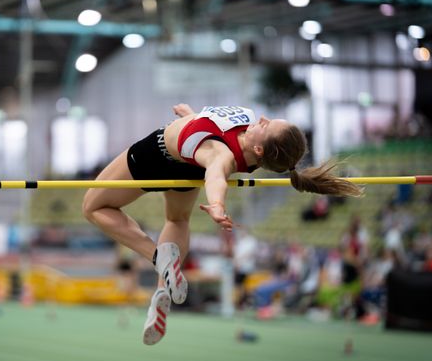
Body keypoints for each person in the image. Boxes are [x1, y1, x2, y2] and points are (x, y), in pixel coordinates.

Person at [82, 103, 362, 345]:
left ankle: (158, 257)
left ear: (259, 147)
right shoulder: (245, 135)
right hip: (189, 162)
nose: (261, 118)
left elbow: (216, 174)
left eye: (266, 125)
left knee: (93, 207)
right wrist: (190, 117)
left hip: (155, 154)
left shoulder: (222, 155)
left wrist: (217, 204)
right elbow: (209, 131)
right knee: (177, 219)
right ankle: (161, 290)